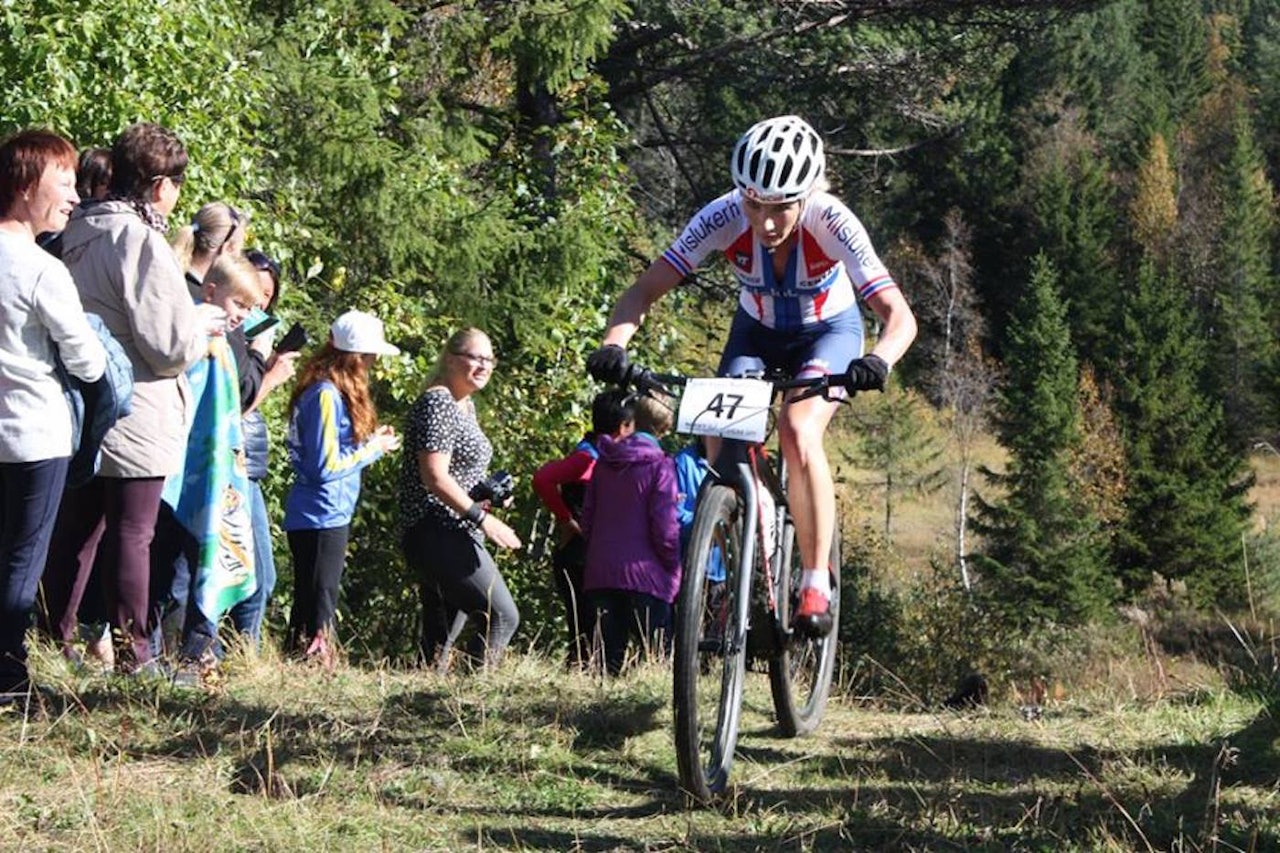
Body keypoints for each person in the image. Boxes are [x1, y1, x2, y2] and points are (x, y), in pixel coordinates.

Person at [587, 115, 917, 637]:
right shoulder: (721, 216)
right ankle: (749, 526)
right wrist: (614, 344)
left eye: (780, 206)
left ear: (806, 196)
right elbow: (642, 291)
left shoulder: (833, 222)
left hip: (828, 331)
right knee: (716, 435)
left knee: (796, 429)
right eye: (752, 204)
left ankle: (813, 578)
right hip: (756, 331)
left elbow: (898, 316)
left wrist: (879, 359)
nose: (764, 221)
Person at [41, 122, 224, 676]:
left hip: (82, 404)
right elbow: (167, 346)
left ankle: (54, 641)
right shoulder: (139, 239)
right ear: (161, 184)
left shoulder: (76, 230)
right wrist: (203, 324)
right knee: (132, 532)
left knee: (78, 531)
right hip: (137, 407)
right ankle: (136, 657)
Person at [0, 129, 107, 697]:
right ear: (24, 187)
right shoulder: (40, 269)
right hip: (32, 435)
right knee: (21, 563)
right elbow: (87, 363)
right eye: (63, 184)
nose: (73, 197)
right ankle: (9, 681)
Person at [400, 328, 522, 671]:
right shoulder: (438, 402)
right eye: (475, 357)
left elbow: (456, 473)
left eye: (489, 359)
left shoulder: (463, 404)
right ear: (451, 359)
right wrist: (484, 518)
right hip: (437, 530)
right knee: (500, 616)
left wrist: (488, 493)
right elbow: (434, 477)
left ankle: (420, 712)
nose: (484, 366)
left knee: (438, 644)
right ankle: (474, 705)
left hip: (453, 527)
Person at [283, 310, 401, 666]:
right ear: (355, 356)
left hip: (324, 513)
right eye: (369, 356)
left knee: (310, 601)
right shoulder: (325, 395)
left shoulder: (326, 392)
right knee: (320, 603)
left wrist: (367, 444)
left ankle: (296, 665)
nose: (374, 362)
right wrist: (373, 449)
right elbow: (324, 466)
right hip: (320, 514)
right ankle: (315, 666)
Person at [532, 389, 635, 667]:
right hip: (577, 558)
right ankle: (578, 686)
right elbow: (542, 479)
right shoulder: (588, 458)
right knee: (586, 630)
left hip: (593, 557)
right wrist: (566, 519)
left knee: (598, 628)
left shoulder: (605, 452)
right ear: (623, 427)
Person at [226, 249, 298, 645]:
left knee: (260, 577)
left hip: (250, 462)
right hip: (229, 461)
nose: (260, 302)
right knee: (251, 577)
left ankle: (239, 658)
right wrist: (270, 376)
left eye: (268, 296)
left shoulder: (252, 333)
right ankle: (226, 659)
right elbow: (234, 404)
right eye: (255, 291)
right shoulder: (231, 334)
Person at [580, 395, 680, 676]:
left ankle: (594, 718)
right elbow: (664, 527)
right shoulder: (661, 465)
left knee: (605, 665)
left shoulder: (604, 462)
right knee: (658, 661)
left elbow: (587, 518)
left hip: (601, 572)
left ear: (633, 420)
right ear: (665, 428)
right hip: (646, 576)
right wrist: (673, 565)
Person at [170, 201, 246, 295]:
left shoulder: (162, 273)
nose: (239, 257)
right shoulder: (201, 301)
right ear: (227, 249)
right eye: (239, 250)